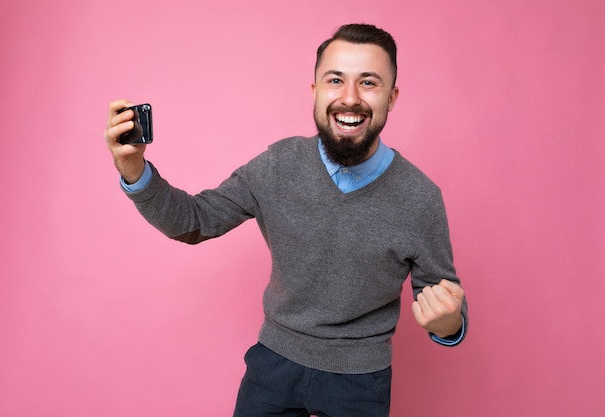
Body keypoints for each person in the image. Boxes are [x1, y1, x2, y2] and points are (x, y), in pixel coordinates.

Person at [104, 23, 468, 417]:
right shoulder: (277, 165)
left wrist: (448, 324)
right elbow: (193, 220)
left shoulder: (420, 197)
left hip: (361, 382)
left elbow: (444, 301)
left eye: (369, 83)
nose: (349, 98)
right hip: (273, 367)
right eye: (335, 80)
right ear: (314, 91)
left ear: (391, 97)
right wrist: (133, 169)